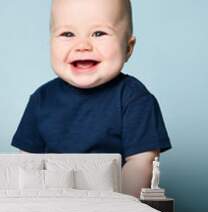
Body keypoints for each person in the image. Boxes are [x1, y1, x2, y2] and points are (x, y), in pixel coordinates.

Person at [11, 0, 171, 197]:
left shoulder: (135, 99)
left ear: (128, 47)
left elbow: (141, 163)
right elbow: (27, 166)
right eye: (67, 34)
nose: (83, 45)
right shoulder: (41, 99)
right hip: (52, 203)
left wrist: (121, 208)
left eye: (99, 33)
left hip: (111, 206)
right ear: (50, 42)